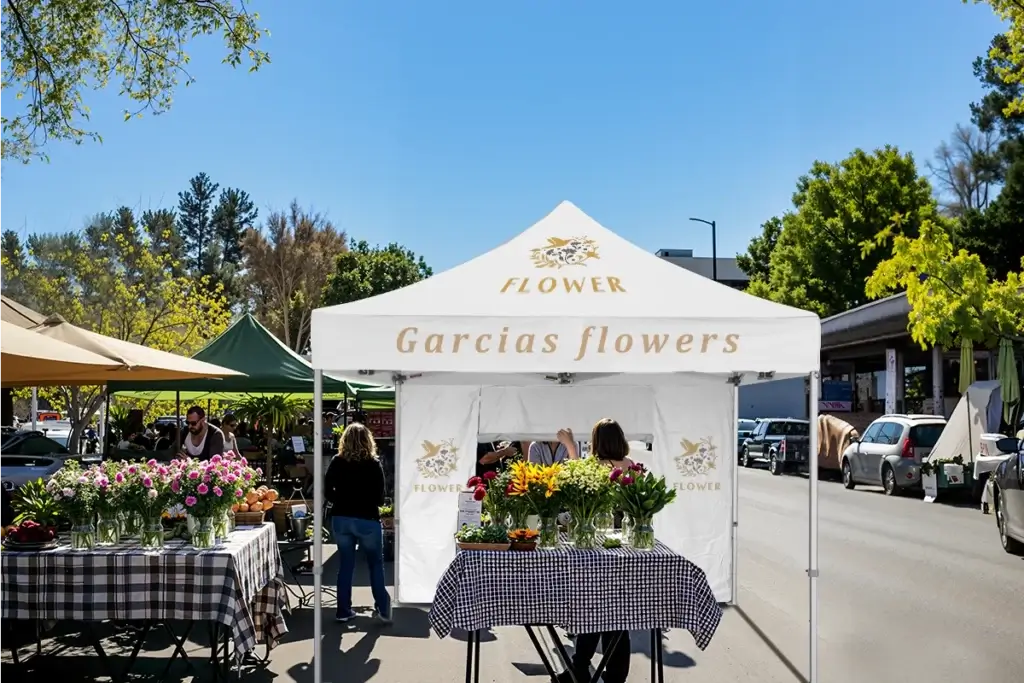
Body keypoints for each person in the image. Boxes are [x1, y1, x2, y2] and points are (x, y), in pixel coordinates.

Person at [558, 418, 633, 683]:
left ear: (597, 441)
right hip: (625, 547)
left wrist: (569, 446)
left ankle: (578, 668)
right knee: (618, 614)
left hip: (596, 547)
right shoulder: (631, 467)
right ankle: (614, 675)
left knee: (592, 608)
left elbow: (576, 478)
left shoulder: (594, 466)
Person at [325, 423, 392, 624]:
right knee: (375, 564)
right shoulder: (373, 463)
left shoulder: (337, 461)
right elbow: (381, 497)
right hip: (367, 518)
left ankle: (343, 610)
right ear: (368, 440)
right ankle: (383, 608)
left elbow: (327, 490)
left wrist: (340, 499)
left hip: (341, 517)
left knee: (346, 564)